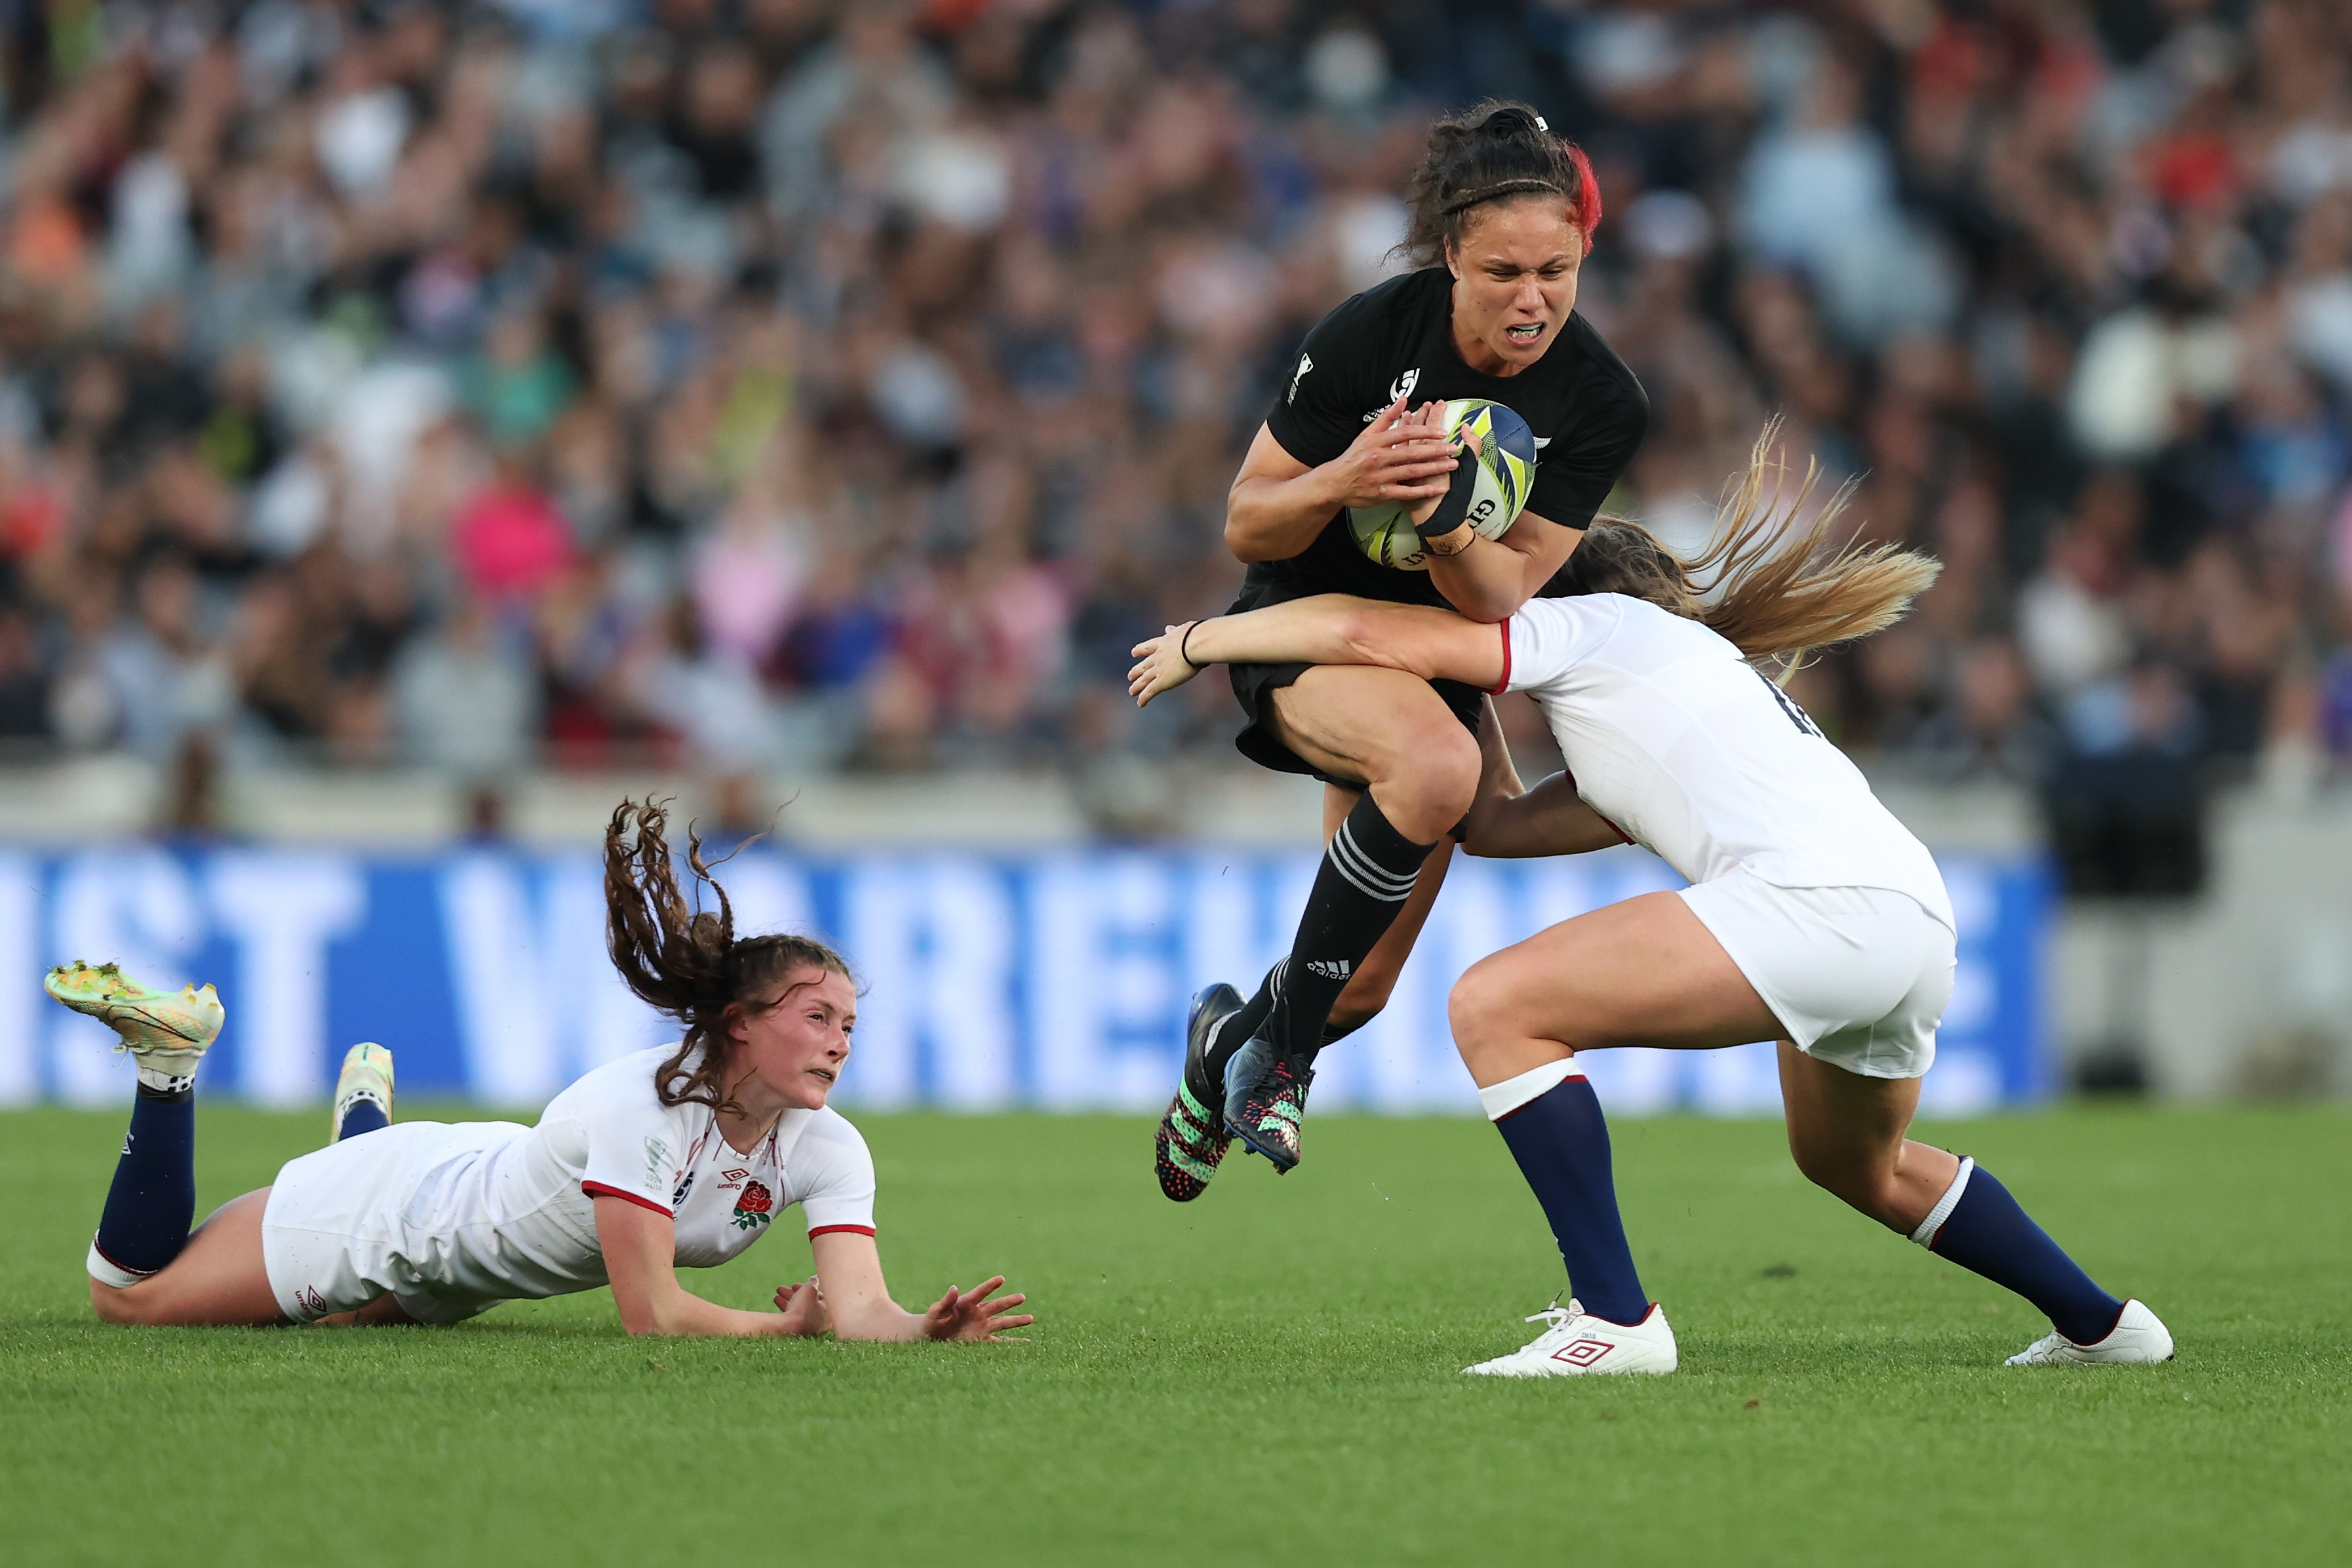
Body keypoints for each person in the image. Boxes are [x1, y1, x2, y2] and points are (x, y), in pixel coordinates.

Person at [1131, 438, 2172, 1375]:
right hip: (1912, 919)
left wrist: (1204, 644)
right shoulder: (1676, 682)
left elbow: (1363, 633)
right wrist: (1455, 704)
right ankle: (2103, 1324)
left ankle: (1617, 1319)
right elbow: (1491, 823)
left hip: (1819, 908)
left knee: (1496, 1007)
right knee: (1858, 1164)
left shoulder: (1595, 629)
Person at [1162, 99, 1649, 1202]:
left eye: (1558, 271)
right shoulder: (1370, 335)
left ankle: (1227, 1046)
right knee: (1440, 770)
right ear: (1451, 257)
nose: (1534, 300)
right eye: (1505, 271)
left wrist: (1440, 517)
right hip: (1304, 624)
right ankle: (1278, 1065)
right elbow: (1249, 520)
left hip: (1434, 647)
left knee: (1366, 988)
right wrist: (1350, 478)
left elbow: (1501, 591)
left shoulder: (1602, 401)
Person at [52, 798, 1033, 1341]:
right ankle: (171, 1067)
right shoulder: (643, 1111)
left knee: (355, 1325)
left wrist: (919, 1330)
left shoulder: (826, 1146)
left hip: (461, 1242)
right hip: (389, 1218)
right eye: (817, 1016)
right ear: (738, 1024)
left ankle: (364, 1123)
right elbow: (653, 1318)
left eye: (850, 1025)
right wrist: (782, 1332)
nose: (839, 1043)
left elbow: (859, 1307)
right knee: (129, 1298)